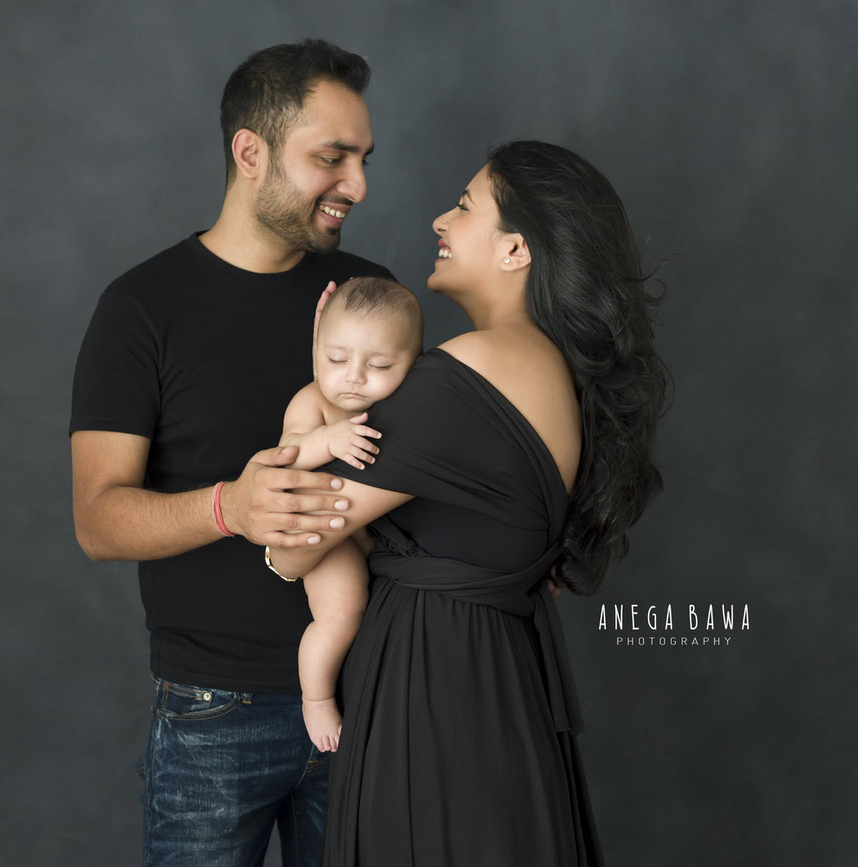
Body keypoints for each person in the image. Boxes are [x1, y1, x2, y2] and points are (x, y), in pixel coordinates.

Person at [267, 140, 672, 866]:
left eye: (463, 204)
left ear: (517, 249)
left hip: (436, 706)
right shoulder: (547, 371)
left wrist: (325, 371)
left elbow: (295, 544)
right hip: (493, 694)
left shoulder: (467, 376)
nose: (437, 219)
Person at [68, 39, 393, 867]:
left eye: (361, 159)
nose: (356, 185)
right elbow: (99, 518)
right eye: (332, 157)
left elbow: (419, 468)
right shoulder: (142, 307)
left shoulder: (369, 300)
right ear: (250, 152)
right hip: (212, 717)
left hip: (369, 698)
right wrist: (230, 507)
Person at [270, 276, 424, 752]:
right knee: (342, 612)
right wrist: (325, 441)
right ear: (316, 348)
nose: (353, 376)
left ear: (414, 364)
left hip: (380, 538)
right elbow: (284, 457)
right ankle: (316, 699)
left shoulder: (403, 406)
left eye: (379, 364)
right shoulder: (313, 400)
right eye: (336, 359)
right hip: (326, 538)